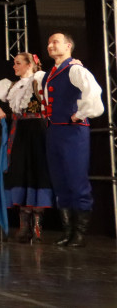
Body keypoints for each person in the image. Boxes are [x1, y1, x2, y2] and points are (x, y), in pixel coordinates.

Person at [0, 52, 52, 242]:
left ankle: (37, 225)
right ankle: (24, 224)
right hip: (18, 130)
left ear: (29, 65)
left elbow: (55, 85)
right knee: (18, 171)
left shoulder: (40, 78)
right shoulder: (11, 85)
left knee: (38, 172)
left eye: (18, 63)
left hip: (37, 129)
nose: (14, 66)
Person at [41, 32, 104, 247]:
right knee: (60, 181)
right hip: (54, 131)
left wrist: (80, 113)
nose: (50, 45)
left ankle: (79, 233)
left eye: (55, 42)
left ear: (68, 46)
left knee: (76, 179)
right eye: (49, 43)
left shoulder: (75, 69)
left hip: (72, 131)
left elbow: (94, 92)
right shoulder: (50, 73)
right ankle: (67, 231)